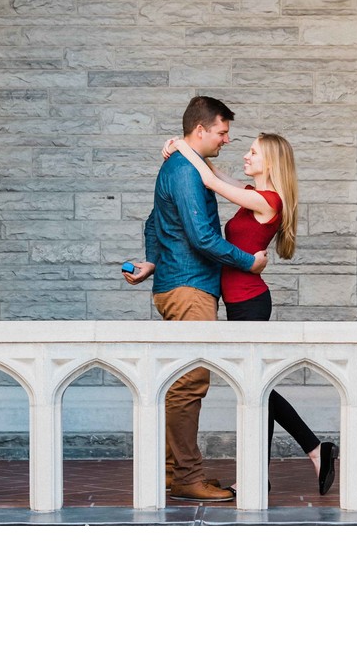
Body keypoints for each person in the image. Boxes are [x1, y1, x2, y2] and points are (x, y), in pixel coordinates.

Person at [162, 129, 338, 497]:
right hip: (241, 300)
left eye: (253, 153)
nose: (245, 156)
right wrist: (188, 150)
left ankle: (303, 453)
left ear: (270, 162)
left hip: (250, 302)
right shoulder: (255, 195)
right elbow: (216, 174)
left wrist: (180, 146)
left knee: (256, 387)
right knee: (257, 387)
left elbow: (208, 180)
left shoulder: (268, 201)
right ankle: (292, 459)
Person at [123, 95, 268, 503]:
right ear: (200, 130)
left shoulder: (179, 165)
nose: (226, 140)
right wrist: (248, 263)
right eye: (222, 133)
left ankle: (174, 472)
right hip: (190, 289)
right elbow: (202, 238)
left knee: (180, 382)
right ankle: (187, 477)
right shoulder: (186, 172)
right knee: (190, 383)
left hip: (176, 283)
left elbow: (153, 221)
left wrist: (152, 260)